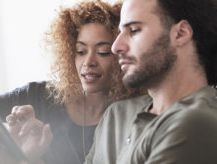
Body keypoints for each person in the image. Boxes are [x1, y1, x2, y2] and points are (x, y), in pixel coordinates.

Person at [0, 1, 143, 164]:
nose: (89, 62)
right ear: (69, 53)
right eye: (81, 51)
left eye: (103, 52)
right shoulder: (39, 95)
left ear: (121, 56)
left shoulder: (130, 114)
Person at [84, 0, 217, 163]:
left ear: (180, 33)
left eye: (134, 30)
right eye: (120, 32)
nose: (115, 47)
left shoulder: (196, 124)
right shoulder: (116, 116)